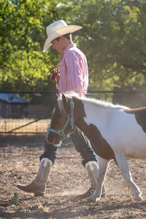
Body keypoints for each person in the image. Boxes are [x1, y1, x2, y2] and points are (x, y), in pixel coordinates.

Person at [17, 20, 100, 197]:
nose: (53, 46)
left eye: (54, 42)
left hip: (69, 110)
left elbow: (77, 86)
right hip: (70, 108)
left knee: (78, 145)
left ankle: (98, 186)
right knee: (52, 142)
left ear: (61, 38)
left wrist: (68, 108)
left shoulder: (70, 55)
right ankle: (40, 183)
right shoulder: (74, 54)